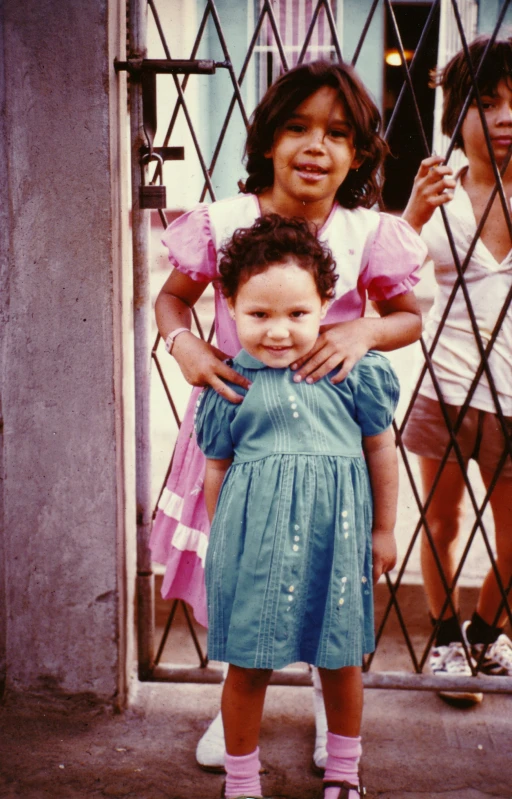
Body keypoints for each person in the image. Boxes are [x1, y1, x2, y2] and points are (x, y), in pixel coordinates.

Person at [151, 59, 426, 770]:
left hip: (329, 435)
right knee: (238, 565)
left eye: (337, 133)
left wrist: (362, 331)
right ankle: (233, 700)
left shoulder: (368, 232)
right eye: (298, 127)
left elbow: (406, 318)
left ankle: (321, 705)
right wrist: (184, 345)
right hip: (240, 420)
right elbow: (171, 299)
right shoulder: (223, 221)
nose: (316, 145)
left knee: (322, 573)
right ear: (268, 139)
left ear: (358, 154)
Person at [195, 213, 400, 799]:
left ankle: (343, 773)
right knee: (249, 665)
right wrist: (221, 541)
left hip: (334, 544)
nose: (279, 331)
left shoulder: (352, 374)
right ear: (231, 304)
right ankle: (241, 781)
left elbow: (381, 449)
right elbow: (217, 468)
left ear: (325, 304)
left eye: (297, 314)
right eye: (259, 315)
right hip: (253, 547)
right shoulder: (230, 383)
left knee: (340, 660)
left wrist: (383, 530)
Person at [403, 35, 512, 701]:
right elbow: (387, 269)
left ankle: (485, 631)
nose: (505, 116)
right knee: (440, 523)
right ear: (459, 111)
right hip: (443, 385)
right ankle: (445, 640)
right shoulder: (438, 186)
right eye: (489, 101)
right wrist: (412, 212)